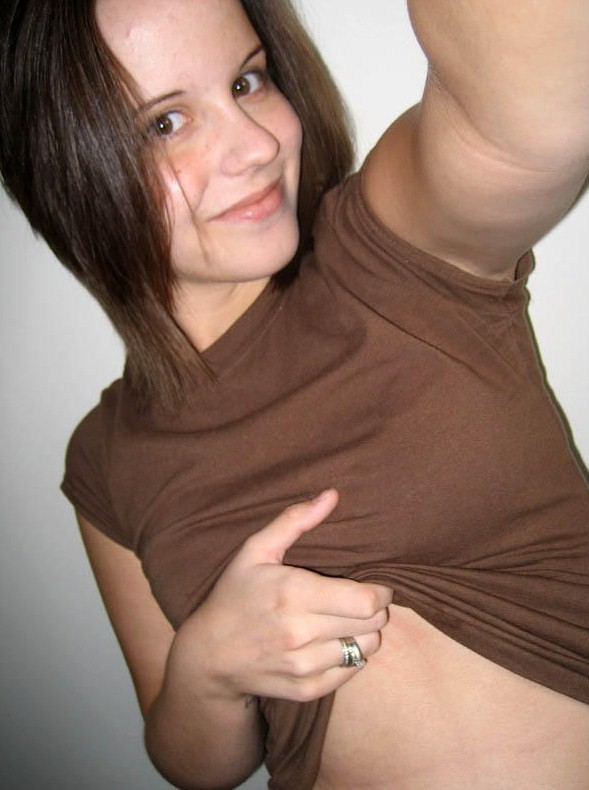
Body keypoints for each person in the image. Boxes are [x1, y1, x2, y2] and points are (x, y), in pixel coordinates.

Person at [1, 0, 588, 788]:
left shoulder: (386, 253)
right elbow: (194, 766)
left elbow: (533, 111)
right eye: (164, 124)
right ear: (68, 175)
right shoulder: (106, 457)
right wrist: (207, 668)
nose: (258, 144)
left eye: (247, 81)